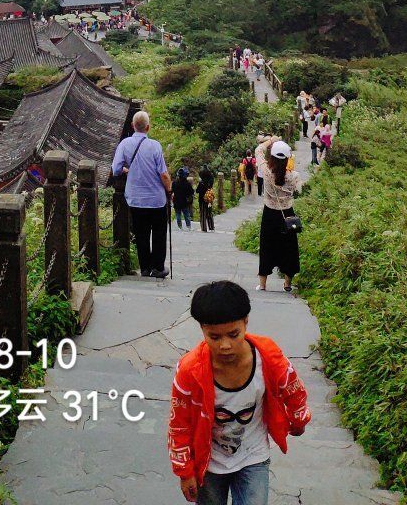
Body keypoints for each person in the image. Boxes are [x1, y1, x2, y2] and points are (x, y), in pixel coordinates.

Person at [168, 279, 310, 505]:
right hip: (209, 462)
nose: (225, 345)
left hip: (253, 456)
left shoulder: (268, 358)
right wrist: (184, 471)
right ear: (202, 329)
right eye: (214, 337)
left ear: (246, 322)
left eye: (233, 334)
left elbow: (293, 389)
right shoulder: (189, 371)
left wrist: (299, 420)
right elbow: (179, 424)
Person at [111, 110, 173, 278]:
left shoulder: (124, 144)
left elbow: (116, 169)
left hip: (135, 199)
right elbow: (164, 174)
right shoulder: (155, 146)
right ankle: (158, 268)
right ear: (148, 127)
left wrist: (127, 169)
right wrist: (169, 189)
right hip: (156, 199)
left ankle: (145, 268)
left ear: (132, 126)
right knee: (159, 233)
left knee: (141, 233)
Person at [254, 140, 302, 294]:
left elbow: (258, 150)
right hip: (287, 214)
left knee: (267, 246)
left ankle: (262, 285)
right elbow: (299, 190)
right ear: (287, 159)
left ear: (272, 158)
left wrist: (271, 140)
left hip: (270, 214)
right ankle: (287, 284)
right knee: (289, 248)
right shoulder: (294, 176)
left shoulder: (266, 172)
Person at [198, 163, 216, 232]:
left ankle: (204, 228)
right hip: (209, 198)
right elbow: (211, 186)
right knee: (209, 212)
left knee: (202, 213)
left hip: (202, 199)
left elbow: (197, 190)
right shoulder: (211, 178)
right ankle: (211, 227)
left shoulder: (201, 182)